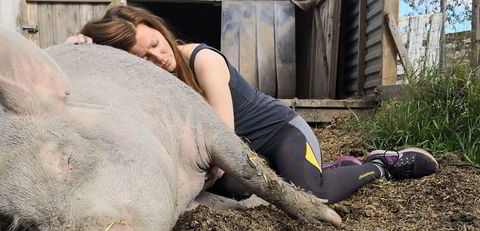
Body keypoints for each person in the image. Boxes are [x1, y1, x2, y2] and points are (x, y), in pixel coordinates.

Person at [65, 5, 439, 204]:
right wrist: (78, 46)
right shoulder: (149, 83)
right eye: (141, 57)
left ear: (160, 29)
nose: (157, 58)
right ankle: (321, 169)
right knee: (237, 190)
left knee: (316, 193)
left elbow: (221, 135)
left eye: (155, 44)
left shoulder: (199, 59)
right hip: (245, 154)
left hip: (280, 133)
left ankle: (379, 166)